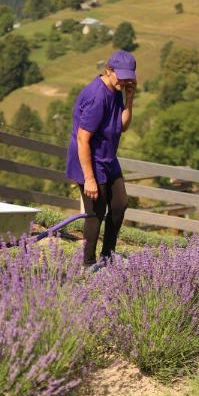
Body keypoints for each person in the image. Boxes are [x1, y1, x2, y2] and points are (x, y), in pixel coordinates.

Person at [65, 50, 137, 268]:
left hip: (108, 158)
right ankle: (88, 265)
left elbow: (122, 126)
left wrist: (129, 99)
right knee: (96, 213)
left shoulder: (116, 89)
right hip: (90, 160)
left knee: (120, 204)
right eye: (121, 76)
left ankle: (108, 256)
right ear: (108, 70)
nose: (125, 81)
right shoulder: (97, 96)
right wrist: (89, 179)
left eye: (128, 77)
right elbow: (82, 139)